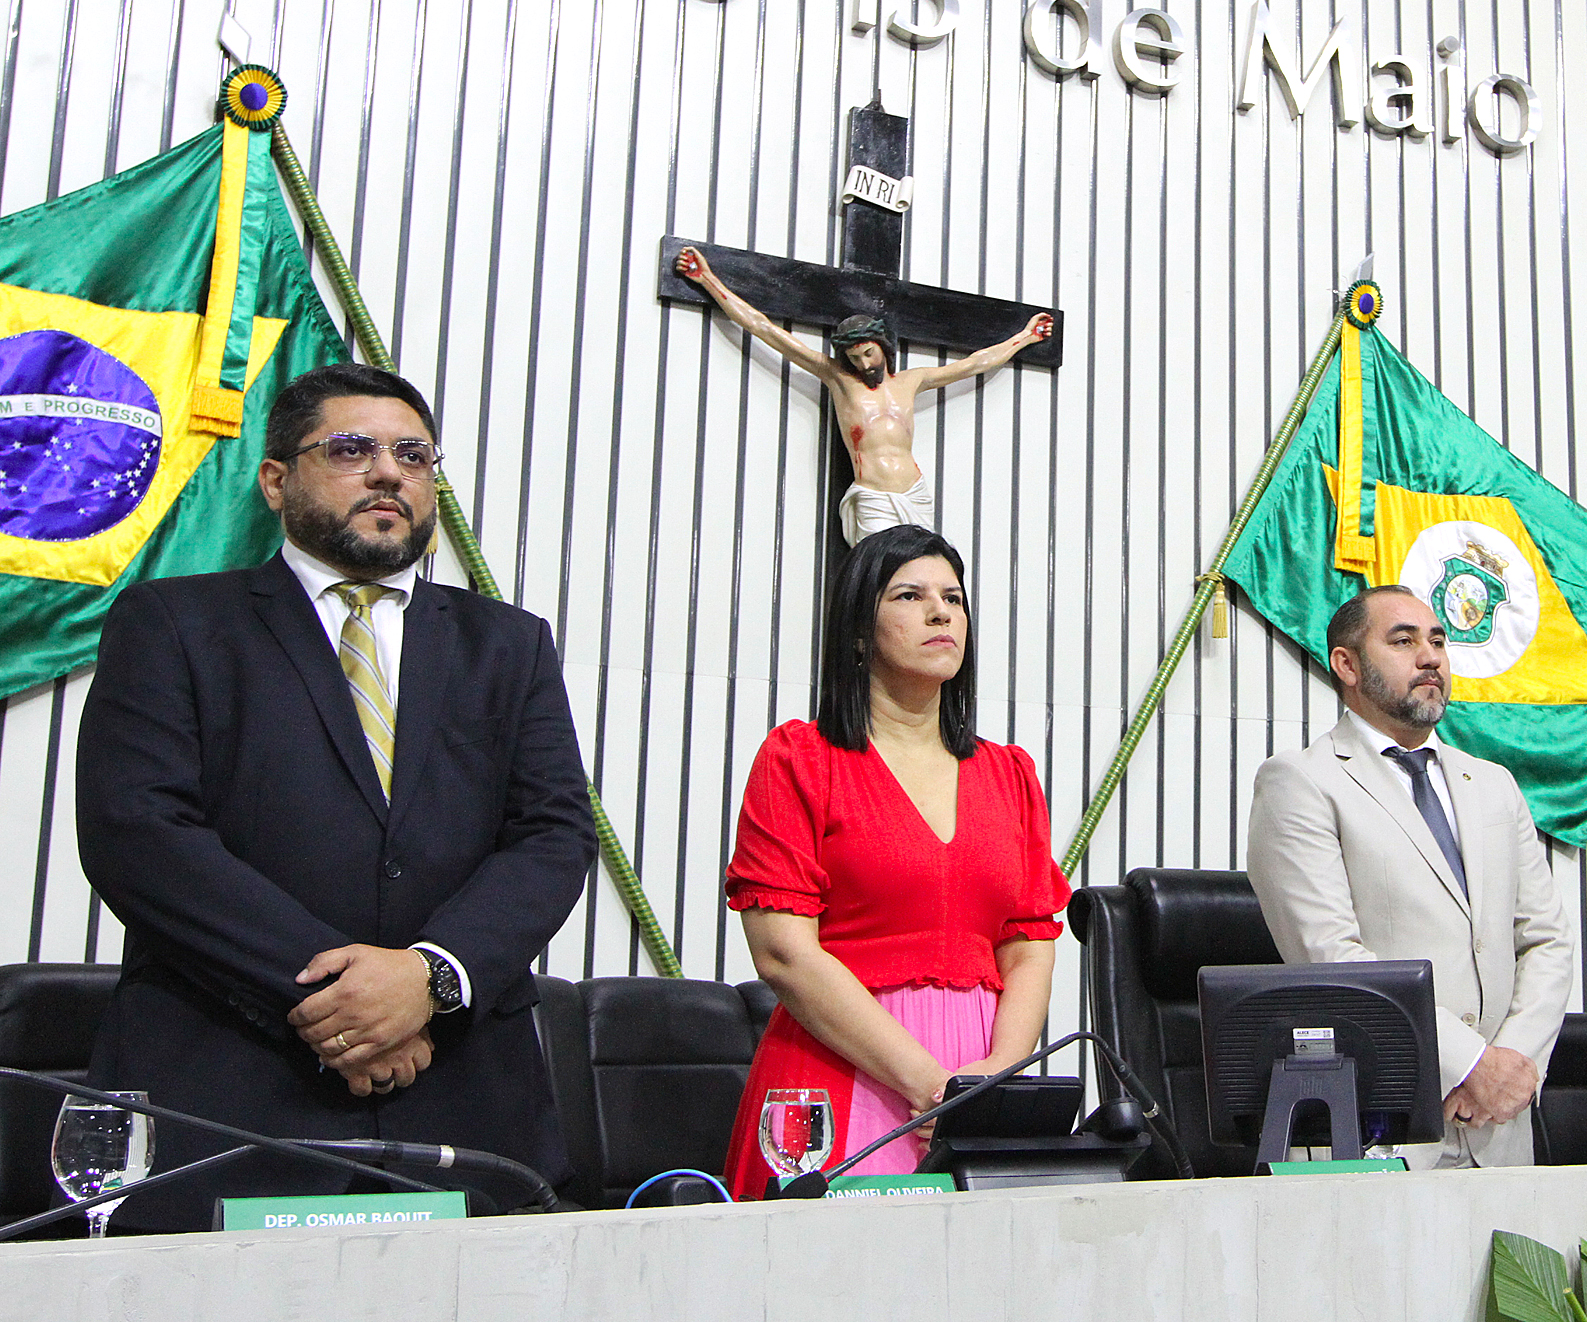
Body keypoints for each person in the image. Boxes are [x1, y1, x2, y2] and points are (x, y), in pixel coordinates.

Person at [76, 363, 597, 1230]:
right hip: (233, 1093)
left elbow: (552, 835)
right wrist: (348, 999)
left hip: (464, 1097)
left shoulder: (508, 644)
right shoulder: (174, 622)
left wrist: (428, 977)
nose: (388, 471)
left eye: (413, 455)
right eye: (352, 449)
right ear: (275, 480)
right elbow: (138, 832)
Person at [721, 525, 1071, 1195]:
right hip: (841, 1073)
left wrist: (993, 1077)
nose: (941, 612)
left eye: (953, 599)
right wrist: (929, 1085)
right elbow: (784, 953)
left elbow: (1029, 948)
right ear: (859, 631)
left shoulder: (1010, 775)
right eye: (910, 595)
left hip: (977, 1077)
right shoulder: (801, 759)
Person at [1246, 584, 1574, 1168]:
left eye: (1438, 642)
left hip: (1499, 1130)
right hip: (1380, 1123)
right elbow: (1331, 956)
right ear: (1347, 665)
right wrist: (1469, 1064)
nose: (1430, 658)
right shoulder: (1301, 781)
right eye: (1403, 642)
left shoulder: (1493, 782)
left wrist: (1514, 1064)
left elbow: (1544, 939)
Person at [673, 247, 1053, 546]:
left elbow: (974, 364)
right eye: (854, 358)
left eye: (869, 354)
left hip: (914, 494)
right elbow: (766, 330)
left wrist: (1025, 337)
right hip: (873, 497)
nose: (863, 363)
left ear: (883, 348)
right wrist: (707, 279)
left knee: (922, 574)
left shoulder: (911, 381)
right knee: (879, 582)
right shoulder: (839, 379)